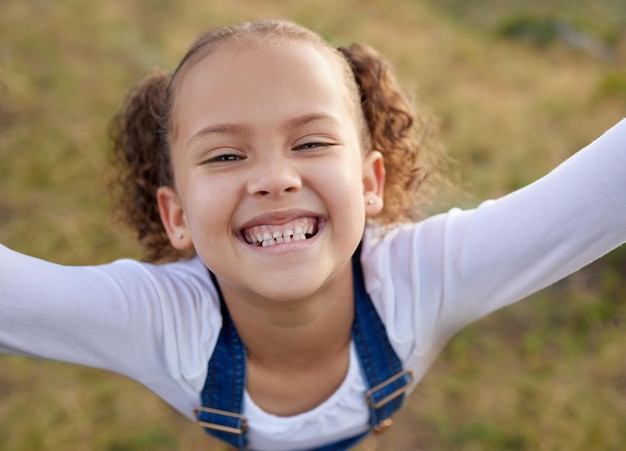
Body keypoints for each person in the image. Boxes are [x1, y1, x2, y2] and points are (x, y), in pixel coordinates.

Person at [0, 18, 624, 451]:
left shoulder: (423, 276)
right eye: (223, 157)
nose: (274, 178)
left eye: (311, 142)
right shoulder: (156, 319)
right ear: (177, 216)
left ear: (369, 183)